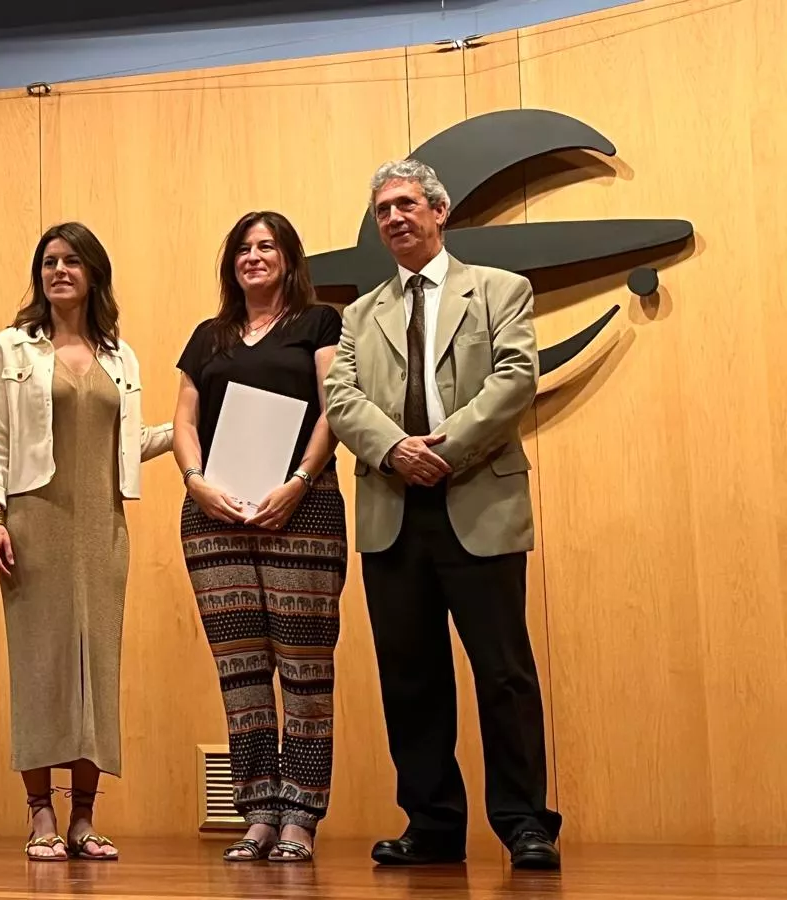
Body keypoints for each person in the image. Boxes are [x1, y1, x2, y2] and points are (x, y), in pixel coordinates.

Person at [323, 160, 561, 870]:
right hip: (393, 511)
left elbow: (516, 377)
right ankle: (431, 823)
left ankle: (525, 823)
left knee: (504, 673)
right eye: (382, 212)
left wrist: (443, 450)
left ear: (439, 210)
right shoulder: (357, 317)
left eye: (405, 205)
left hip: (478, 499)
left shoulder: (499, 291)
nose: (394, 219)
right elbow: (342, 401)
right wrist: (396, 448)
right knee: (411, 675)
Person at [0, 222, 173, 862]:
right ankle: (40, 815)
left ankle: (84, 818)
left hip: (103, 525)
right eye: (48, 262)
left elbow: (130, 441)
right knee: (39, 666)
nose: (58, 270)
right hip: (35, 519)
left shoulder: (122, 355)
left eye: (71, 261)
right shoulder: (13, 349)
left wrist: (189, 429)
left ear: (93, 273)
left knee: (98, 667)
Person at [171, 212, 347, 864]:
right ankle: (259, 815)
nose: (254, 256)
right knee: (241, 673)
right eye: (244, 247)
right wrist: (195, 481)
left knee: (304, 671)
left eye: (266, 246)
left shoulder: (320, 323)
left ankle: (301, 816)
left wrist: (298, 482)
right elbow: (184, 419)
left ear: (288, 258)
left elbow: (335, 409)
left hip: (301, 513)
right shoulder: (208, 336)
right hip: (215, 520)